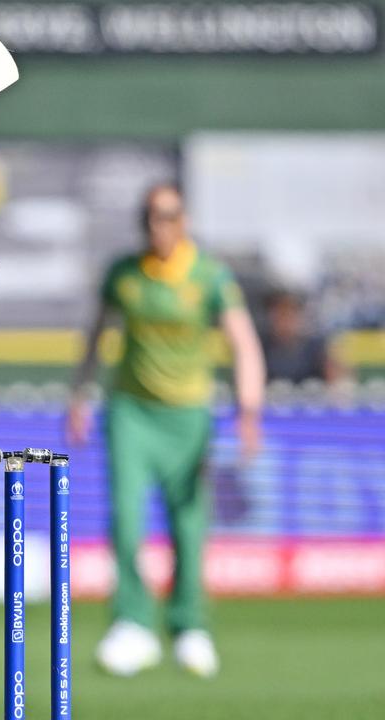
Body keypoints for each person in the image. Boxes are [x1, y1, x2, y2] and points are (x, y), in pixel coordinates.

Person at [65, 183, 266, 679]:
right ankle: (133, 625)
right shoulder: (125, 274)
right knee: (127, 520)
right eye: (153, 216)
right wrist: (80, 394)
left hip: (188, 415)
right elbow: (99, 331)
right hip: (130, 411)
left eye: (171, 215)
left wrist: (248, 411)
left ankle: (189, 626)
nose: (162, 225)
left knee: (188, 524)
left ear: (185, 220)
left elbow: (243, 343)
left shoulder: (209, 275)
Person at [259, 287, 348, 385]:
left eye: (291, 312)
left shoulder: (315, 346)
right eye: (280, 313)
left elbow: (338, 381)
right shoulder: (261, 346)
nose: (285, 319)